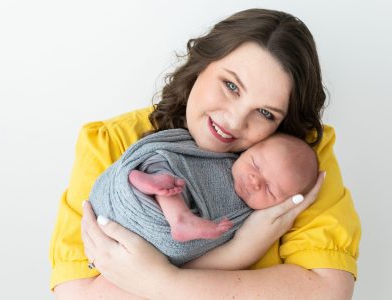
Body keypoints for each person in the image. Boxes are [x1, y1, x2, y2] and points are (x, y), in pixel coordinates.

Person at [50, 8, 361, 299]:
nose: (236, 120)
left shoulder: (297, 160)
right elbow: (78, 291)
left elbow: (328, 290)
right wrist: (235, 254)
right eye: (231, 86)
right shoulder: (113, 140)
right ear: (200, 63)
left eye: (266, 113)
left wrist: (162, 282)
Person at [89, 129, 318, 266]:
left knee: (172, 185)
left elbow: (207, 247)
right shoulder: (220, 157)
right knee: (166, 166)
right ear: (247, 150)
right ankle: (144, 182)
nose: (255, 180)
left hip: (154, 226)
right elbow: (179, 152)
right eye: (255, 164)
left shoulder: (248, 218)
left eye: (270, 190)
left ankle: (157, 193)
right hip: (130, 193)